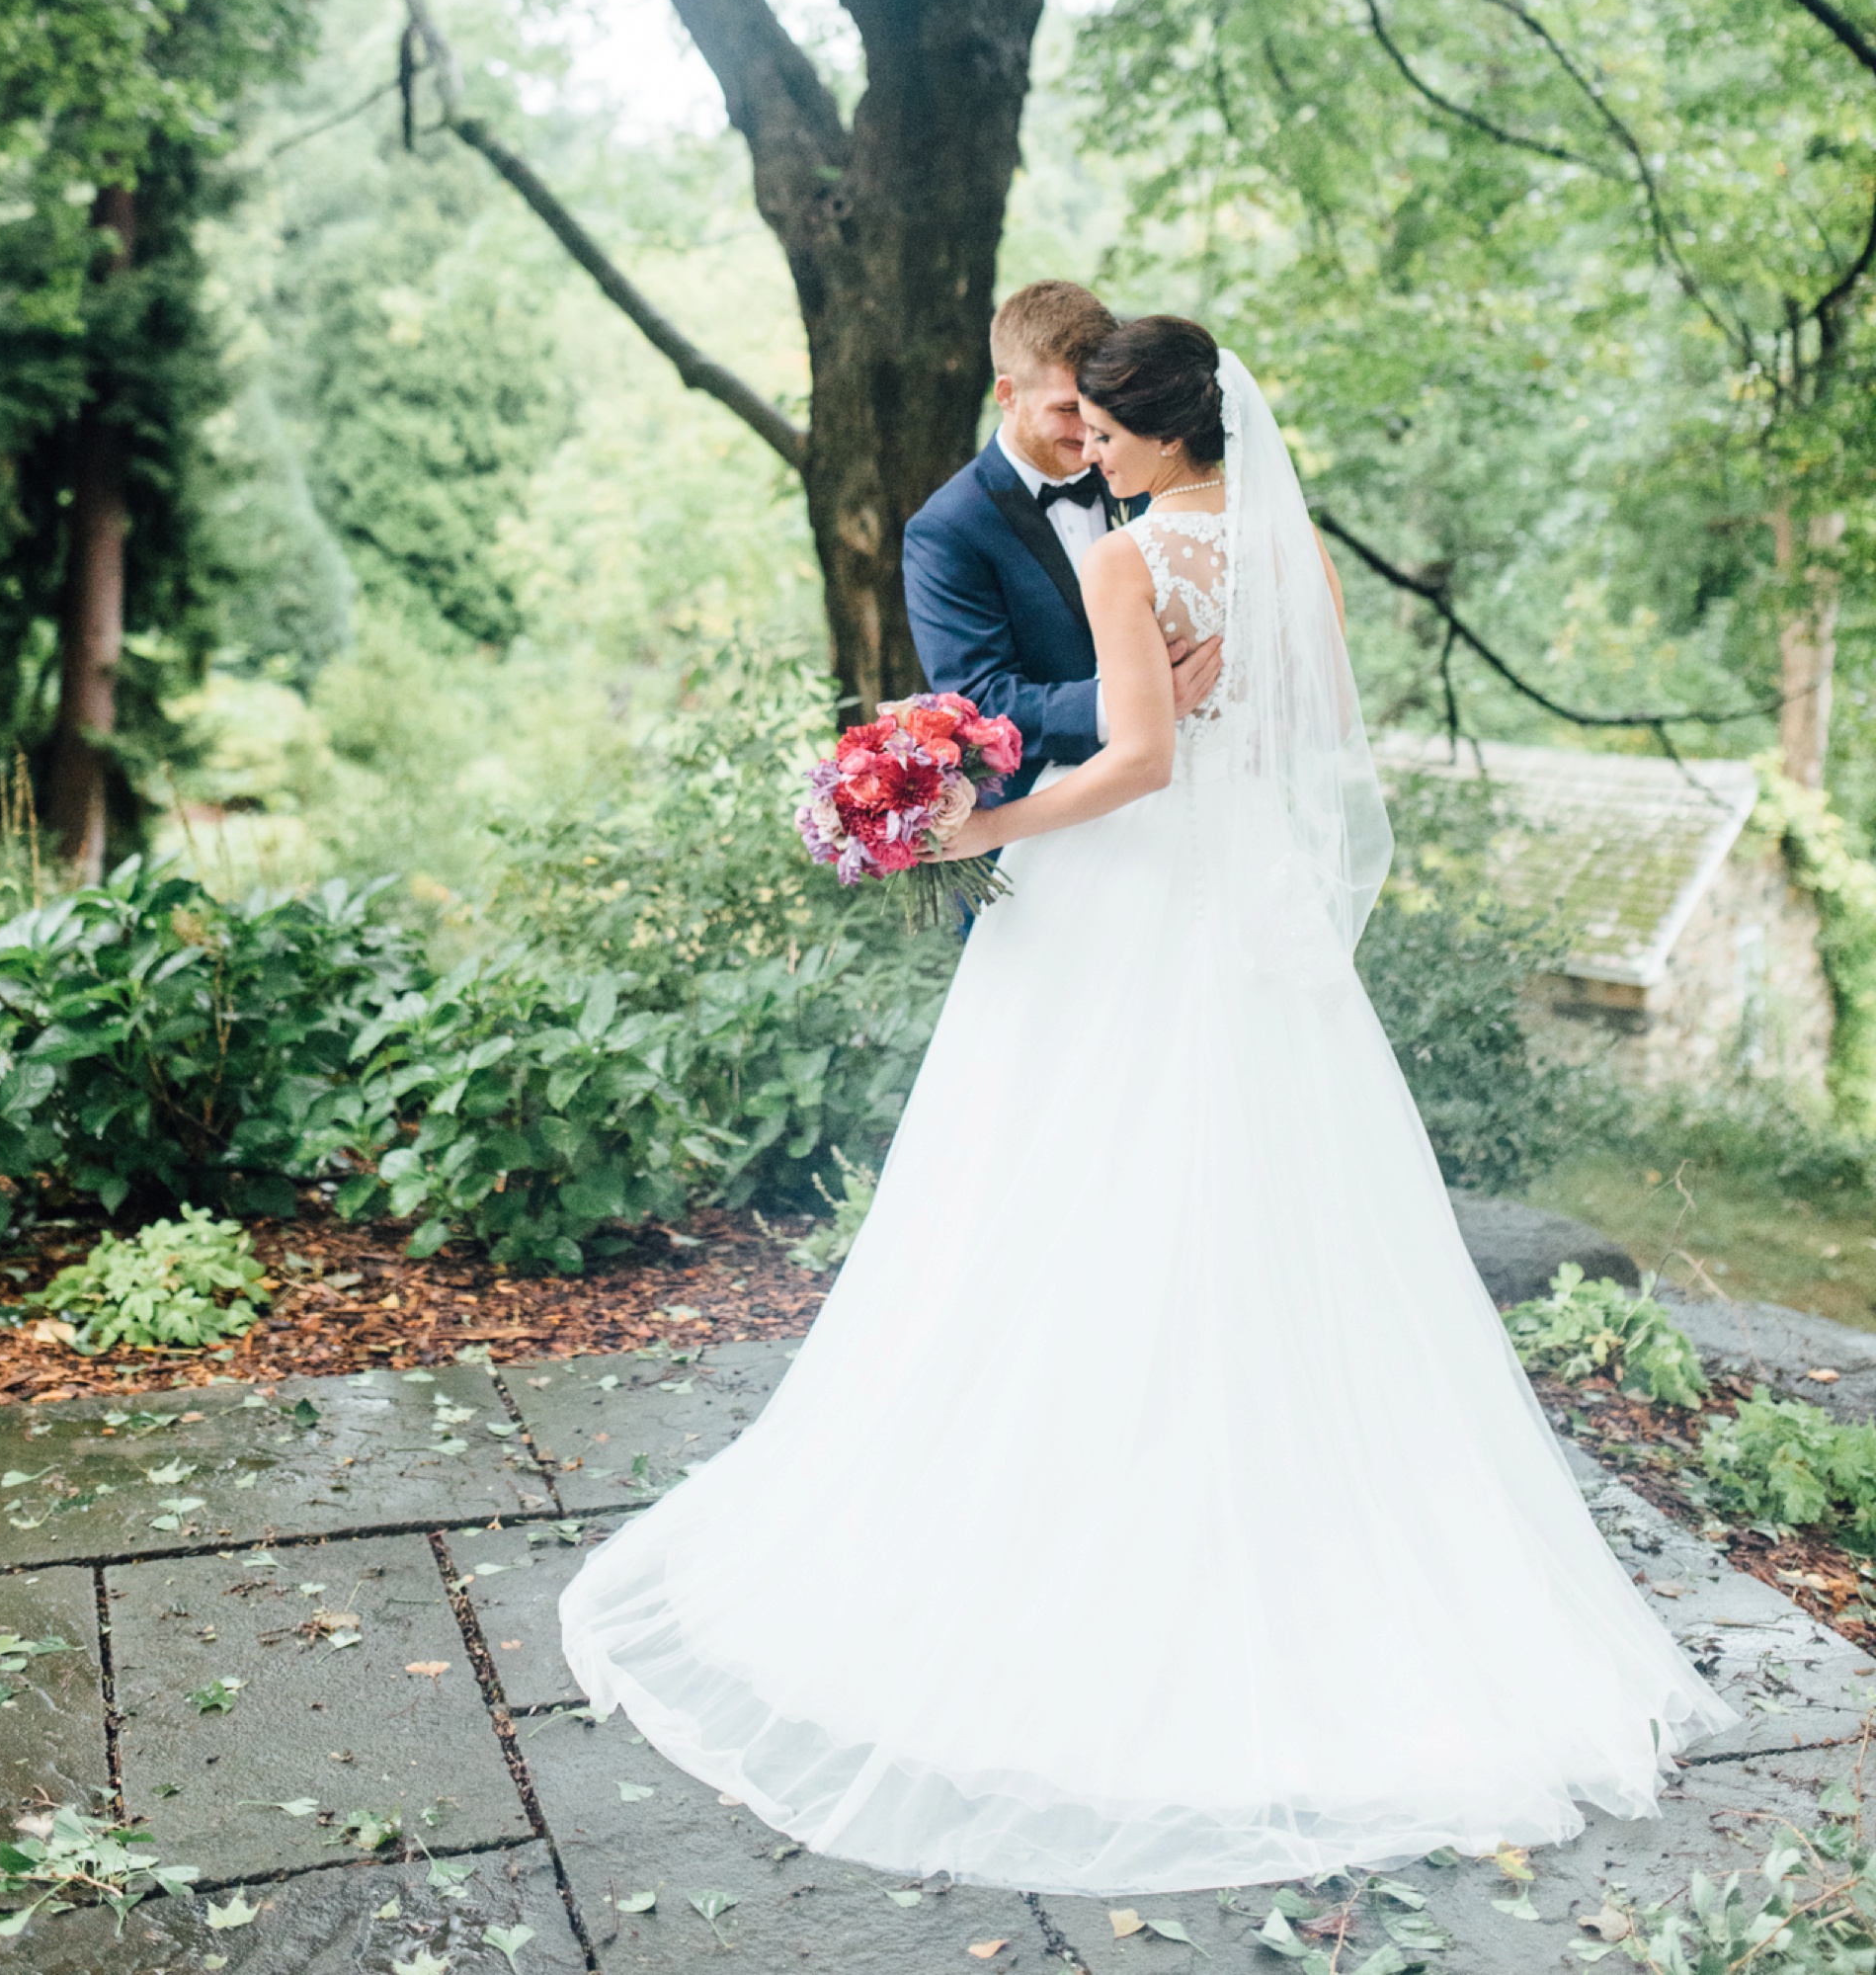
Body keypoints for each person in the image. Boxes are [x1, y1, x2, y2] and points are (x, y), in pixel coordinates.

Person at [560, 315, 1731, 1892]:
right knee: (1263, 1201)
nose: (1087, 448)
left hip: (1126, 899)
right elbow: (1286, 748)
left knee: (1056, 1189)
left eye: (1105, 427)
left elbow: (1138, 764)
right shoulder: (1293, 558)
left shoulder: (1125, 555)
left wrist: (971, 835)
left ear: (1159, 432)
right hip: (1255, 923)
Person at [901, 279, 1221, 794]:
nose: (1090, 433)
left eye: (1103, 409)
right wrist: (1134, 703)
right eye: (1068, 410)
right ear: (1007, 394)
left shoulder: (1145, 468)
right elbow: (978, 700)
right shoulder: (947, 529)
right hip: (1047, 812)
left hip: (1194, 786)